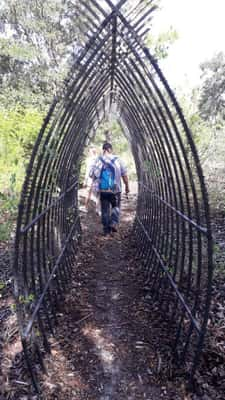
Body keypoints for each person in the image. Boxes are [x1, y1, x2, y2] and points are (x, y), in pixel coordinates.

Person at [90, 142, 129, 235]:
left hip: (103, 190)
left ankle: (106, 230)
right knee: (116, 207)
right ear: (110, 149)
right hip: (116, 189)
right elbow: (124, 175)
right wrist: (127, 186)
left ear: (103, 150)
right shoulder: (118, 159)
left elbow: (92, 175)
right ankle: (114, 223)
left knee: (105, 209)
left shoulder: (98, 160)